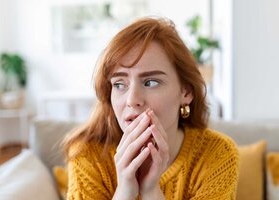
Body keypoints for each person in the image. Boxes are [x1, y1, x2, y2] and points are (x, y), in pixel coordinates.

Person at [63, 17, 239, 200]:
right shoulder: (87, 154)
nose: (132, 100)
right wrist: (125, 190)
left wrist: (150, 190)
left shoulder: (217, 154)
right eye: (119, 84)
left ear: (186, 91)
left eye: (151, 82)